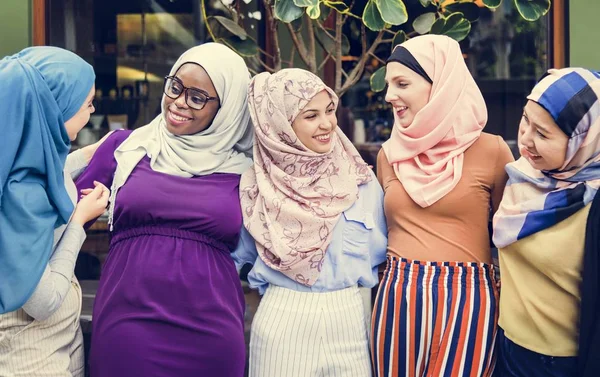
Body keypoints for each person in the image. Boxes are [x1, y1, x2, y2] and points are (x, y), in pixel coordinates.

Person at [76, 42, 253, 377]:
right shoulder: (125, 147)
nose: (179, 102)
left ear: (226, 107)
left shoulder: (246, 170)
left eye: (197, 97)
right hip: (128, 326)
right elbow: (62, 214)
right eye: (175, 86)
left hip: (212, 332)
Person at [370, 35, 514, 377]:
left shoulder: (493, 151)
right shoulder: (388, 155)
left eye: (402, 83)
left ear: (442, 86)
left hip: (470, 300)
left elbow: (509, 239)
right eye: (389, 84)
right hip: (397, 297)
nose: (390, 95)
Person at [234, 68, 387, 377]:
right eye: (311, 116)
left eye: (330, 111)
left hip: (350, 316)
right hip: (282, 316)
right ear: (281, 126)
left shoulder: (359, 178)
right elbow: (235, 260)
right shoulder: (256, 186)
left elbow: (379, 252)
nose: (327, 124)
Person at [0, 46, 109, 377]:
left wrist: (91, 153)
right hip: (30, 359)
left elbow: (53, 169)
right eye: (87, 103)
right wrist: (79, 220)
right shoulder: (22, 198)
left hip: (56, 344)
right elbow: (43, 301)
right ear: (55, 110)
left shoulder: (18, 155)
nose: (92, 111)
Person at [493, 68, 600, 377]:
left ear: (583, 141)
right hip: (506, 344)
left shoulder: (591, 202)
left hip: (556, 363)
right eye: (525, 120)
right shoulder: (522, 175)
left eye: (542, 134)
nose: (525, 139)